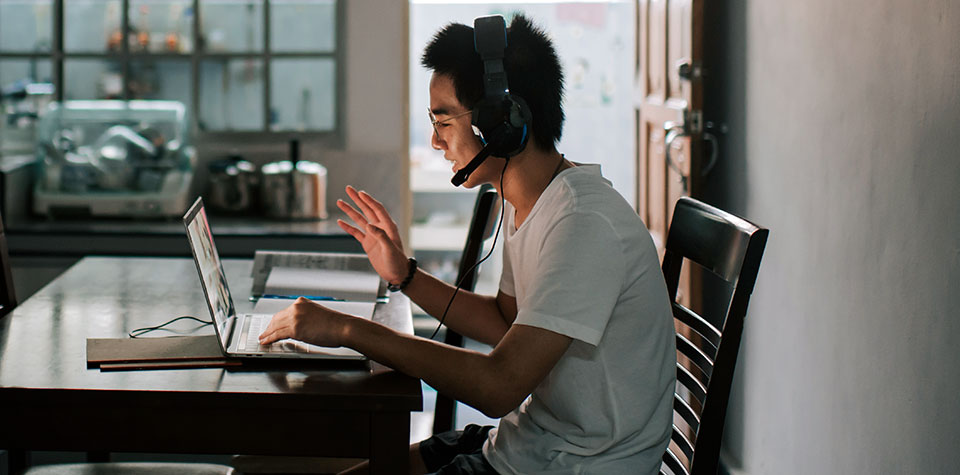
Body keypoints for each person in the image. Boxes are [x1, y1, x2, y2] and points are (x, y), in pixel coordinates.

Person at [259, 14, 676, 475]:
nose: (437, 141)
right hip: (530, 445)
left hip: (571, 466)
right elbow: (504, 321)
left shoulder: (582, 222)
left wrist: (347, 331)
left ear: (502, 123)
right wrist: (406, 276)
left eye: (444, 122)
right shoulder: (533, 202)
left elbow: (497, 387)